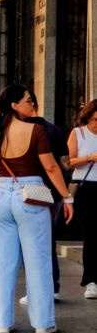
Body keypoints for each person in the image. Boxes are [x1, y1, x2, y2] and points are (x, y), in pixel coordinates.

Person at [0, 85, 74, 333]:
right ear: (14, 105)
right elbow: (52, 168)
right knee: (38, 260)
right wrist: (66, 197)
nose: (32, 104)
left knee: (2, 263)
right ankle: (43, 323)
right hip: (31, 193)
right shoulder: (36, 130)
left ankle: (2, 322)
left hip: (0, 195)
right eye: (27, 100)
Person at [18, 91, 69, 303]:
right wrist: (65, 193)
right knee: (48, 241)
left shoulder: (22, 130)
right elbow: (65, 163)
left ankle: (36, 289)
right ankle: (53, 286)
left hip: (28, 192)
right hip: (53, 193)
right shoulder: (54, 130)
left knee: (29, 243)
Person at [67, 98, 97, 299]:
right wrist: (89, 158)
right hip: (86, 188)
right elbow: (68, 162)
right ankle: (91, 281)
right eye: (95, 119)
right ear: (88, 118)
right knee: (91, 234)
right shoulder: (78, 133)